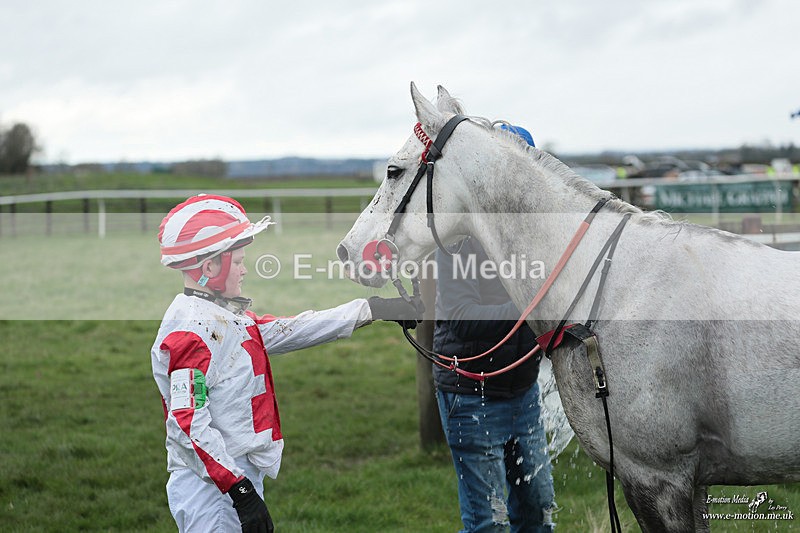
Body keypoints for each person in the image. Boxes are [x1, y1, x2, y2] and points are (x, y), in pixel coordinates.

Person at [151, 194, 420, 533]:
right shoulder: (192, 331)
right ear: (209, 268)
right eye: (238, 262)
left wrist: (373, 309)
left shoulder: (220, 313)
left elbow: (287, 330)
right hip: (213, 491)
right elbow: (187, 423)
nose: (245, 269)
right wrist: (239, 490)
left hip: (230, 480)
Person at [433, 125, 556, 533]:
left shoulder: (538, 237)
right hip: (470, 397)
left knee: (538, 512)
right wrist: (534, 306)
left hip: (523, 393)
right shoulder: (458, 238)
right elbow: (461, 313)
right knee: (490, 523)